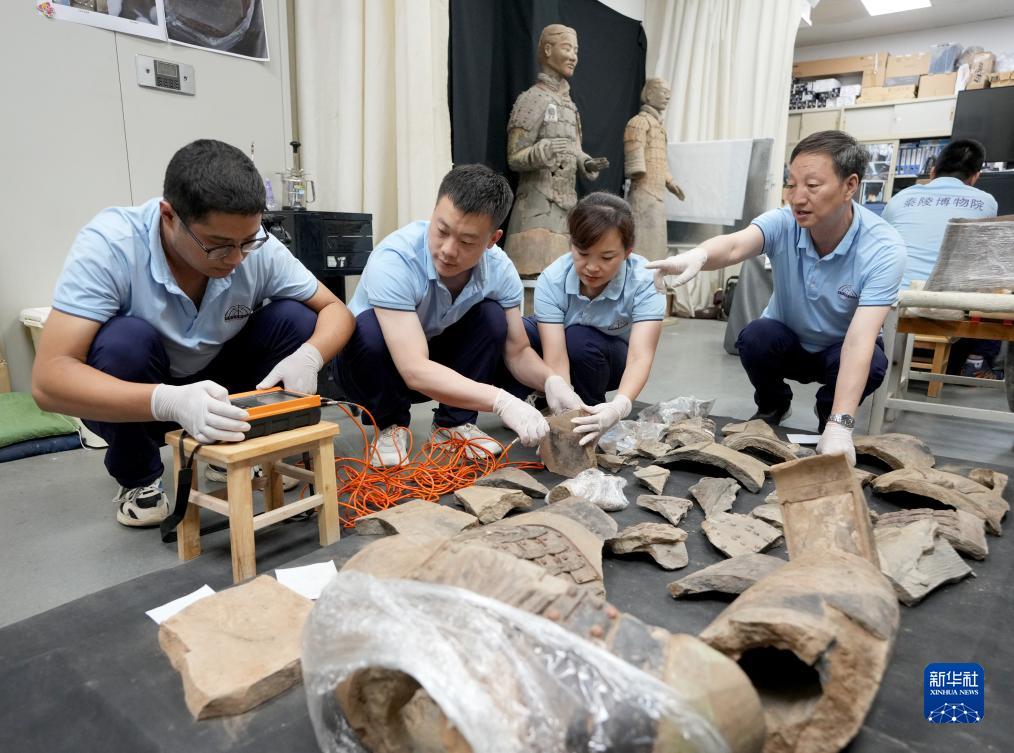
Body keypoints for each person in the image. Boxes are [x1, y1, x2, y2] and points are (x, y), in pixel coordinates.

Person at [32, 139, 354, 527]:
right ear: (169, 216)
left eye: (246, 242)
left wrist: (310, 356)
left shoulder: (256, 249)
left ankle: (237, 441)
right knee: (124, 343)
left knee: (295, 319)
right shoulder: (112, 245)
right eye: (218, 245)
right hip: (142, 393)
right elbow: (48, 381)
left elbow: (336, 311)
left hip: (220, 382)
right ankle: (139, 478)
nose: (235, 259)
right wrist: (168, 401)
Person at [645, 130, 906, 465]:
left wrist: (842, 424)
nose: (797, 197)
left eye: (812, 185)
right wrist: (697, 255)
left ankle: (829, 415)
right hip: (788, 341)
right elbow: (736, 245)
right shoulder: (785, 223)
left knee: (872, 362)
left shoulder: (883, 248)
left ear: (850, 185)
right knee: (755, 337)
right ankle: (773, 403)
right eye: (791, 184)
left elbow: (860, 340)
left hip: (839, 350)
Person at [334, 164, 581, 467]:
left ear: (492, 240)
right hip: (370, 370)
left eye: (467, 242)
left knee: (492, 317)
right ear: (434, 213)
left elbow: (517, 351)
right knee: (369, 330)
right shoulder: (396, 259)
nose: (448, 250)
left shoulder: (500, 270)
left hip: (428, 356)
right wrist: (501, 401)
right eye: (441, 231)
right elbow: (413, 368)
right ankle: (390, 425)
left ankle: (453, 425)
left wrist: (552, 381)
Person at [501, 192, 664, 447]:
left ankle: (592, 411)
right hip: (565, 348)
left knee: (580, 337)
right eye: (583, 253)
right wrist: (564, 414)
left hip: (609, 360)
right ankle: (536, 401)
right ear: (571, 244)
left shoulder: (646, 281)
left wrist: (619, 406)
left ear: (628, 252)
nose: (592, 267)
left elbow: (640, 356)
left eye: (606, 257)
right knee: (512, 331)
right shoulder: (553, 279)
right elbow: (555, 356)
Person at [881, 139, 1000, 376]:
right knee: (991, 282)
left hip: (894, 301)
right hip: (950, 306)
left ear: (933, 171)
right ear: (975, 176)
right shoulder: (986, 202)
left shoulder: (900, 198)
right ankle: (975, 362)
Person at [504, 23, 609, 276]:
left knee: (559, 281)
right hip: (536, 209)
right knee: (532, 278)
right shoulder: (532, 99)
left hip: (566, 212)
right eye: (567, 48)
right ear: (548, 50)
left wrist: (585, 162)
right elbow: (514, 157)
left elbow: (574, 150)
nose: (573, 56)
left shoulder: (570, 106)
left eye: (576, 50)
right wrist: (542, 151)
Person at [624, 77, 685, 262]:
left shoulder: (659, 127)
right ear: (650, 94)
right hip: (643, 192)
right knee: (642, 247)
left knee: (656, 248)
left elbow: (658, 160)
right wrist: (637, 170)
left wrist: (670, 181)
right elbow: (635, 160)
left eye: (669, 93)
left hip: (657, 194)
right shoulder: (639, 122)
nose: (668, 97)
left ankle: (654, 277)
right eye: (664, 92)